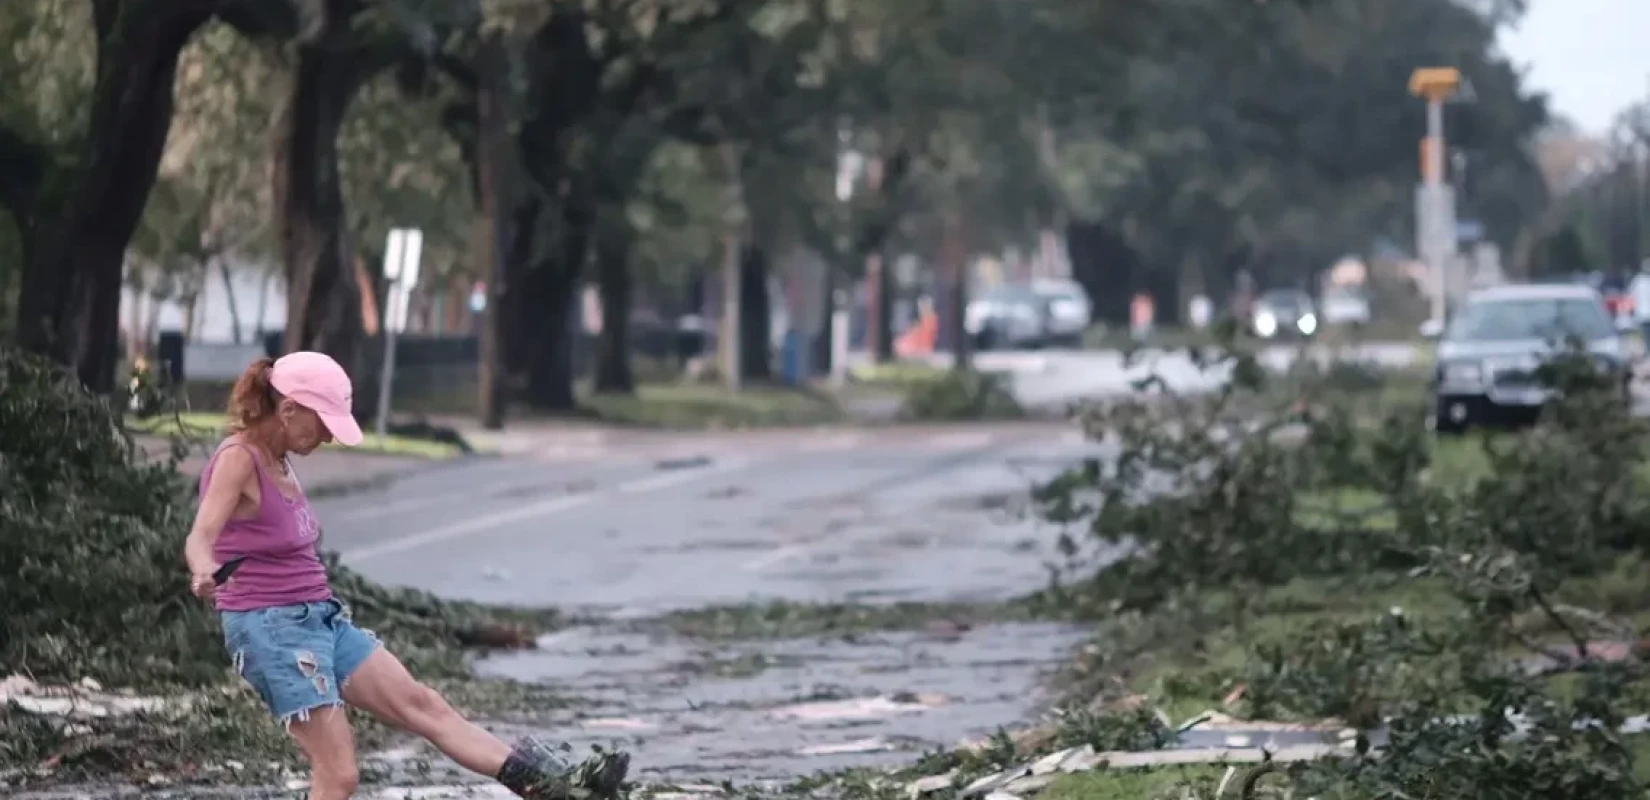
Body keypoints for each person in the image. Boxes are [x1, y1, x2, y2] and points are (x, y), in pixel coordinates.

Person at [184, 352, 627, 800]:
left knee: (424, 706)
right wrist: (203, 569)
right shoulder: (240, 459)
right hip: (272, 629)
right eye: (323, 424)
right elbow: (201, 534)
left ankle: (549, 787)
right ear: (289, 408)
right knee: (339, 774)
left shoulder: (282, 458)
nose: (329, 439)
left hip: (321, 619)